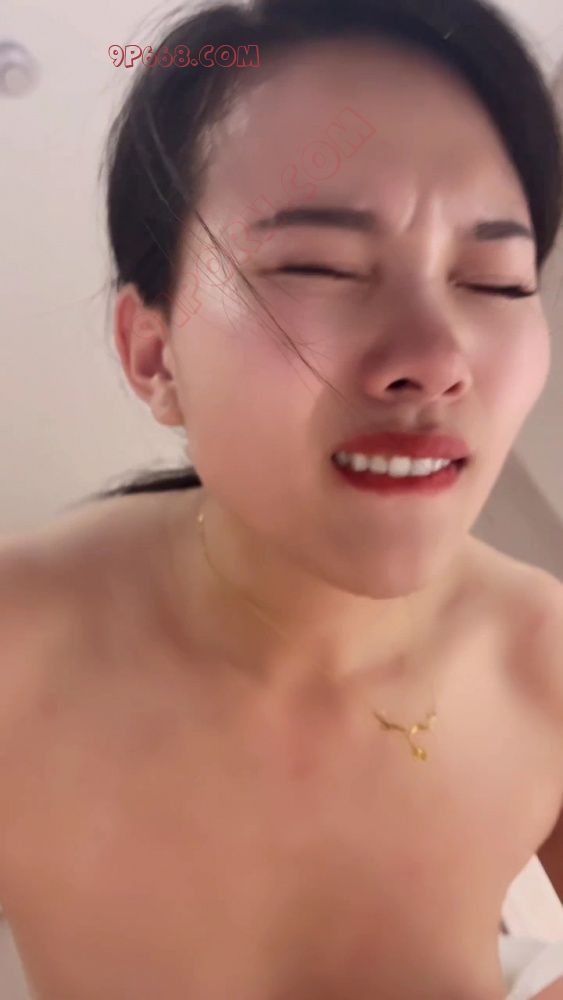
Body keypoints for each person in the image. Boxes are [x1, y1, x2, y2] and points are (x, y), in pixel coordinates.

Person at [1, 0, 563, 997]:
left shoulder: (543, 662)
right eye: (320, 265)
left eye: (495, 280)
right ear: (153, 353)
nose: (434, 360)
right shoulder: (19, 649)